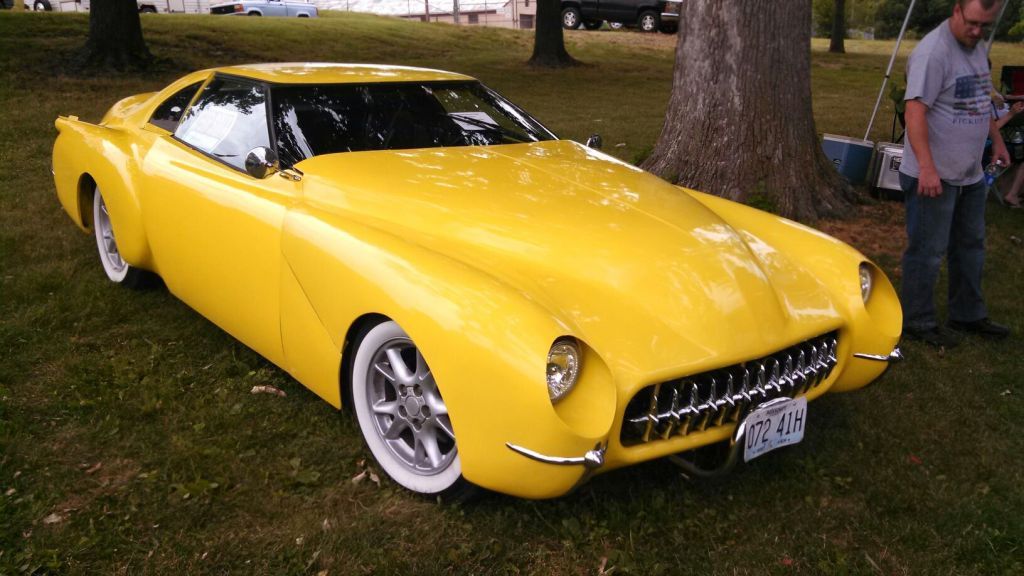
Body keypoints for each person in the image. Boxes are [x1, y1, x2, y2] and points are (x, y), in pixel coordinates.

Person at [899, 0, 1011, 348]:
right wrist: (928, 169)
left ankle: (967, 314)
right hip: (934, 176)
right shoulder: (933, 53)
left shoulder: (975, 48)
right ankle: (917, 320)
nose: (977, 32)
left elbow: (979, 100)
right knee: (928, 251)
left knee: (970, 245)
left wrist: (997, 141)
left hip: (969, 173)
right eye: (973, 23)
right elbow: (914, 112)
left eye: (985, 27)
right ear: (957, 9)